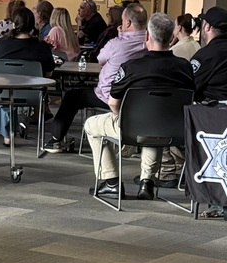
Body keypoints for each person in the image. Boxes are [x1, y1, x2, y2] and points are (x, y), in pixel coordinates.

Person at [84, 12, 195, 199]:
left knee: (91, 125)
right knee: (155, 125)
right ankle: (147, 182)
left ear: (147, 37)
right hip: (173, 129)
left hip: (133, 128)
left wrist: (124, 120)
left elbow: (113, 103)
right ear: (172, 37)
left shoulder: (132, 67)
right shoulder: (185, 67)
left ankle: (110, 181)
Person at [44, 3, 149, 153]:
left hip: (109, 96)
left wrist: (120, 37)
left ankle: (55, 140)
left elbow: (100, 59)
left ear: (127, 23)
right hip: (138, 98)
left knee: (72, 96)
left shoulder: (116, 44)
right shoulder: (150, 43)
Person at [0, 6, 55, 145]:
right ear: (33, 25)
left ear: (14, 24)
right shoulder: (42, 47)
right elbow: (48, 74)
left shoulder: (0, 44)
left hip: (2, 92)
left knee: (7, 95)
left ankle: (8, 134)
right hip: (33, 94)